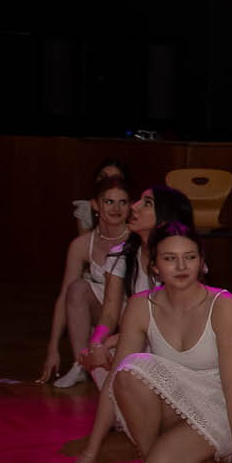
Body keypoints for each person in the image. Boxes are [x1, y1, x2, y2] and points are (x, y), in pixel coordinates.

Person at [57, 224, 232, 463]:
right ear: (155, 267)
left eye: (190, 257)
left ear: (202, 262)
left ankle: (217, 459)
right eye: (170, 258)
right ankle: (149, 461)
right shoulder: (140, 305)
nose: (181, 266)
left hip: (220, 404)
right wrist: (90, 451)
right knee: (128, 371)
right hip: (176, 399)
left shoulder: (224, 305)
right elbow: (113, 382)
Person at [80, 184, 198, 377]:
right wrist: (96, 343)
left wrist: (107, 343)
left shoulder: (181, 260)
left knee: (124, 362)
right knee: (97, 360)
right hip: (136, 339)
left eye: (147, 203)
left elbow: (163, 323)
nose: (134, 207)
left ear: (164, 216)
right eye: (139, 200)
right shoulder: (121, 254)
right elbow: (109, 314)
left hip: (177, 344)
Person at [42, 174, 134, 387]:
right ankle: (80, 364)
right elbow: (64, 295)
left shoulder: (136, 239)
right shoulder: (82, 244)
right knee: (77, 289)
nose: (116, 208)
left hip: (130, 307)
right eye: (109, 201)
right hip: (103, 310)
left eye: (122, 202)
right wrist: (53, 348)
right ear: (95, 205)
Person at [71, 157, 131, 232]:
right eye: (102, 176)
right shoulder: (86, 208)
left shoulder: (135, 208)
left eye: (114, 178)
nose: (106, 182)